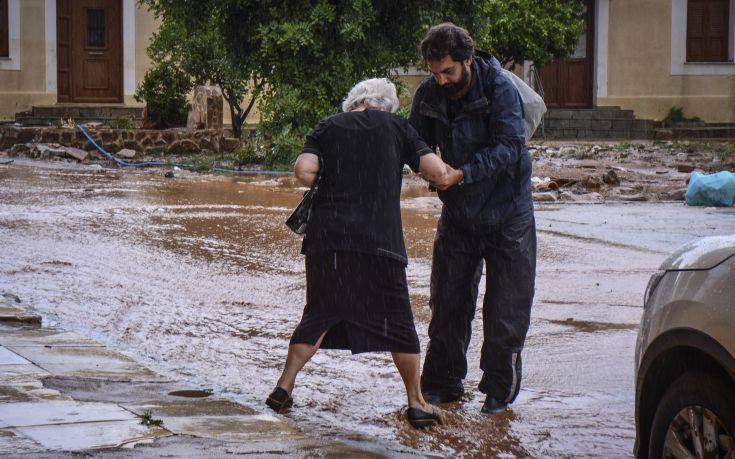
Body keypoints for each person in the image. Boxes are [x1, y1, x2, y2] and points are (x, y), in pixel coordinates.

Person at [267, 78, 448, 428]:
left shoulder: (328, 126)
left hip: (327, 241)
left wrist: (339, 174)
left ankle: (283, 387)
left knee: (318, 314)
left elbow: (304, 171)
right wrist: (450, 174)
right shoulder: (397, 127)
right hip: (378, 243)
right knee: (398, 321)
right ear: (387, 105)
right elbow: (434, 171)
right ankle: (417, 402)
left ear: (355, 102)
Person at [408, 23, 537, 414]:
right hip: (459, 214)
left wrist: (461, 173)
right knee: (447, 305)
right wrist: (424, 165)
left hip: (509, 214)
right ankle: (443, 387)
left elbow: (510, 147)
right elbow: (412, 141)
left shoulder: (499, 88)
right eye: (434, 73)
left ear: (466, 60)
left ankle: (498, 395)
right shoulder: (429, 93)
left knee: (505, 313)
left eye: (448, 71)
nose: (441, 80)